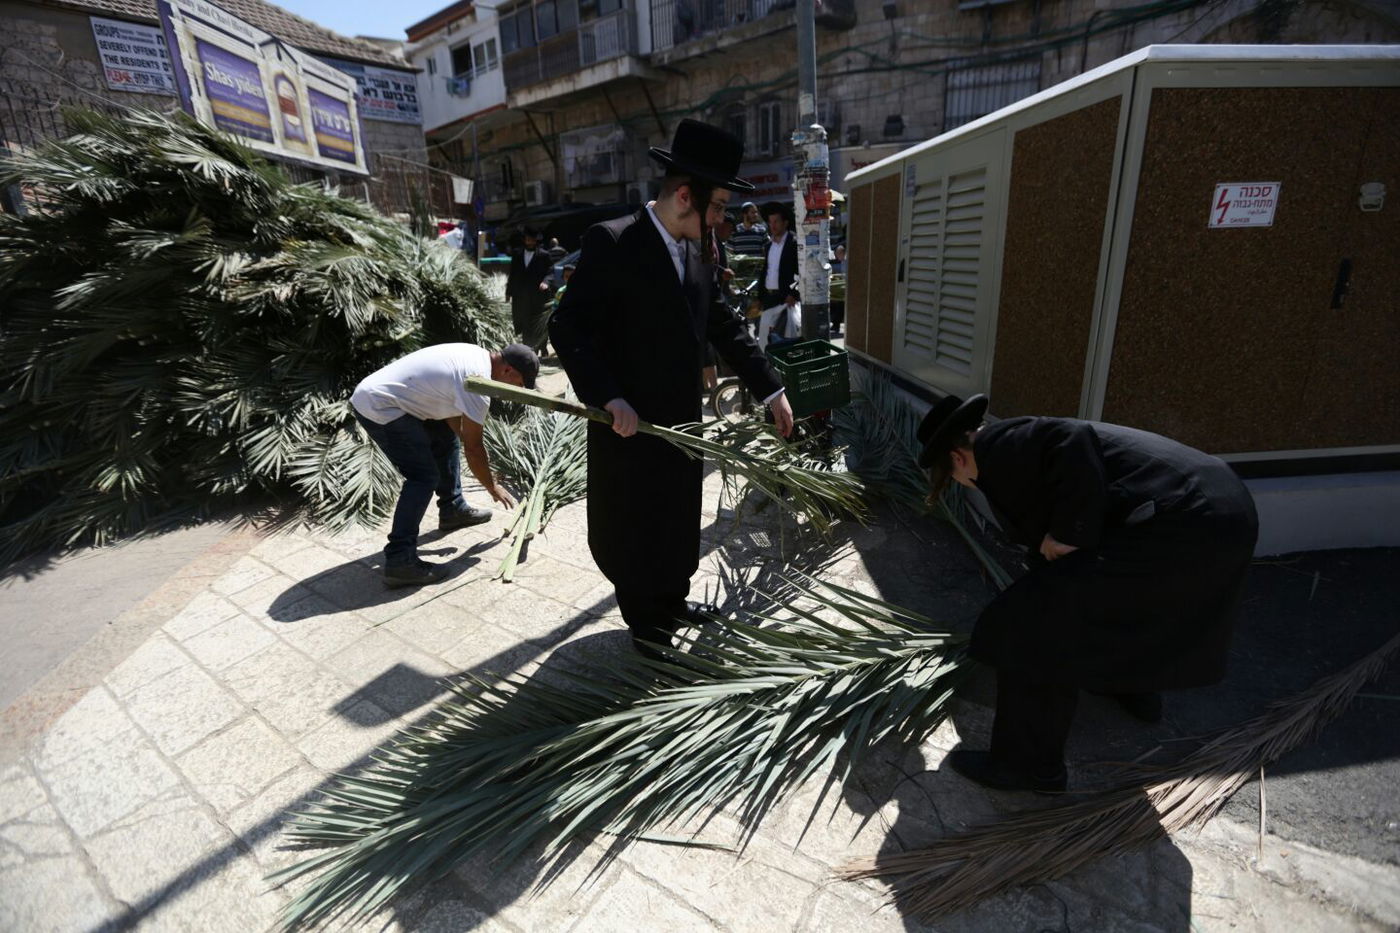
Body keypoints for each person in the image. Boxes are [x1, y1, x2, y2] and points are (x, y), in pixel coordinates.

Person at [916, 395, 1259, 792]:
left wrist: (1066, 534)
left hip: (1183, 520)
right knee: (1116, 604)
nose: (963, 483)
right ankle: (1132, 687)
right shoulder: (1014, 449)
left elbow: (1072, 441)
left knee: (1029, 626)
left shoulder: (1000, 445)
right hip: (1222, 510)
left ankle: (1026, 766)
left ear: (957, 458)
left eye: (955, 478)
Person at [550, 119, 795, 657]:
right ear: (685, 195)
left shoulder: (699, 250)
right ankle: (647, 628)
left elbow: (723, 324)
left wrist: (771, 389)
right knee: (636, 528)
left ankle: (674, 600)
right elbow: (567, 327)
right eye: (717, 206)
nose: (723, 219)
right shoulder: (614, 242)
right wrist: (607, 395)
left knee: (678, 519)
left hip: (683, 423)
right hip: (630, 425)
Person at [351, 343, 540, 587]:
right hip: (380, 406)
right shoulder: (479, 384)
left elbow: (450, 407)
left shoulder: (476, 356)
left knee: (446, 439)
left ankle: (453, 509)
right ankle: (400, 561)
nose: (518, 389)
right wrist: (492, 486)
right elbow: (474, 448)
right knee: (423, 477)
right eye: (520, 382)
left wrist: (462, 439)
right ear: (507, 371)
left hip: (386, 396)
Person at [756, 200, 800, 349]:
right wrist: (760, 297)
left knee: (786, 340)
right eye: (770, 222)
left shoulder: (794, 243)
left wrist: (794, 293)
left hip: (786, 299)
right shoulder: (769, 246)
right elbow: (766, 271)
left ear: (785, 223)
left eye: (776, 221)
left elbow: (800, 270)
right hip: (770, 299)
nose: (772, 225)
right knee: (765, 340)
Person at [506, 226, 553, 353]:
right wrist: (508, 292)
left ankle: (542, 347)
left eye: (532, 240)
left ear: (536, 241)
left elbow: (550, 271)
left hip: (539, 296)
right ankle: (528, 349)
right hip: (522, 296)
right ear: (524, 240)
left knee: (539, 323)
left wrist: (545, 282)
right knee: (525, 322)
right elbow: (513, 274)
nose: (530, 242)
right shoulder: (517, 254)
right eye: (528, 240)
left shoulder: (544, 255)